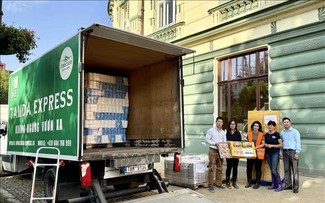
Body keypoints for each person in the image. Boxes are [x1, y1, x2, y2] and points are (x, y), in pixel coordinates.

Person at [205, 116, 227, 192]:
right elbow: (207, 140)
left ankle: (218, 183)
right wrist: (215, 143)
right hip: (213, 150)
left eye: (221, 122)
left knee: (220, 168)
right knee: (211, 168)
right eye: (218, 121)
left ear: (222, 123)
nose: (219, 123)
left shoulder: (223, 132)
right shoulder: (211, 130)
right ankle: (210, 185)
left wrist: (224, 149)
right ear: (216, 122)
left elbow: (224, 141)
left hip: (220, 151)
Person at [280, 117, 301, 194]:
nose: (286, 123)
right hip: (285, 152)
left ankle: (295, 187)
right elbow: (281, 144)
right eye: (284, 122)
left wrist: (297, 152)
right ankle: (288, 185)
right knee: (286, 170)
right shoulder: (282, 133)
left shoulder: (295, 132)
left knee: (295, 170)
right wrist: (281, 153)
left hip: (293, 152)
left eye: (287, 122)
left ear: (290, 123)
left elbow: (298, 142)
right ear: (283, 124)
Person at [262, 120, 283, 192]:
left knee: (274, 170)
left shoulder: (277, 134)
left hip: (275, 153)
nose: (270, 126)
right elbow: (264, 143)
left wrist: (272, 145)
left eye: (272, 125)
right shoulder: (266, 135)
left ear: (274, 126)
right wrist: (266, 145)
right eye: (269, 125)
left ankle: (280, 184)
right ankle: (274, 184)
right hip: (268, 153)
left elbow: (281, 145)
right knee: (272, 169)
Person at [245, 120, 264, 189]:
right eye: (254, 126)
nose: (255, 127)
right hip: (250, 153)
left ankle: (257, 183)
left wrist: (256, 147)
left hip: (258, 153)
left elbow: (263, 143)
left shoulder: (261, 134)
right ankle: (249, 182)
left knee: (258, 168)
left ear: (259, 127)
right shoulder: (249, 133)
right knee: (249, 168)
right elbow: (247, 142)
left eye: (257, 126)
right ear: (252, 127)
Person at [225, 119, 242, 189]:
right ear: (229, 125)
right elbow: (224, 141)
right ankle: (227, 181)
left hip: (236, 152)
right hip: (228, 152)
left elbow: (240, 143)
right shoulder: (226, 132)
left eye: (234, 124)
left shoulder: (238, 133)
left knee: (235, 167)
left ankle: (234, 182)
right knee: (229, 167)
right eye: (231, 124)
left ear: (236, 125)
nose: (233, 125)